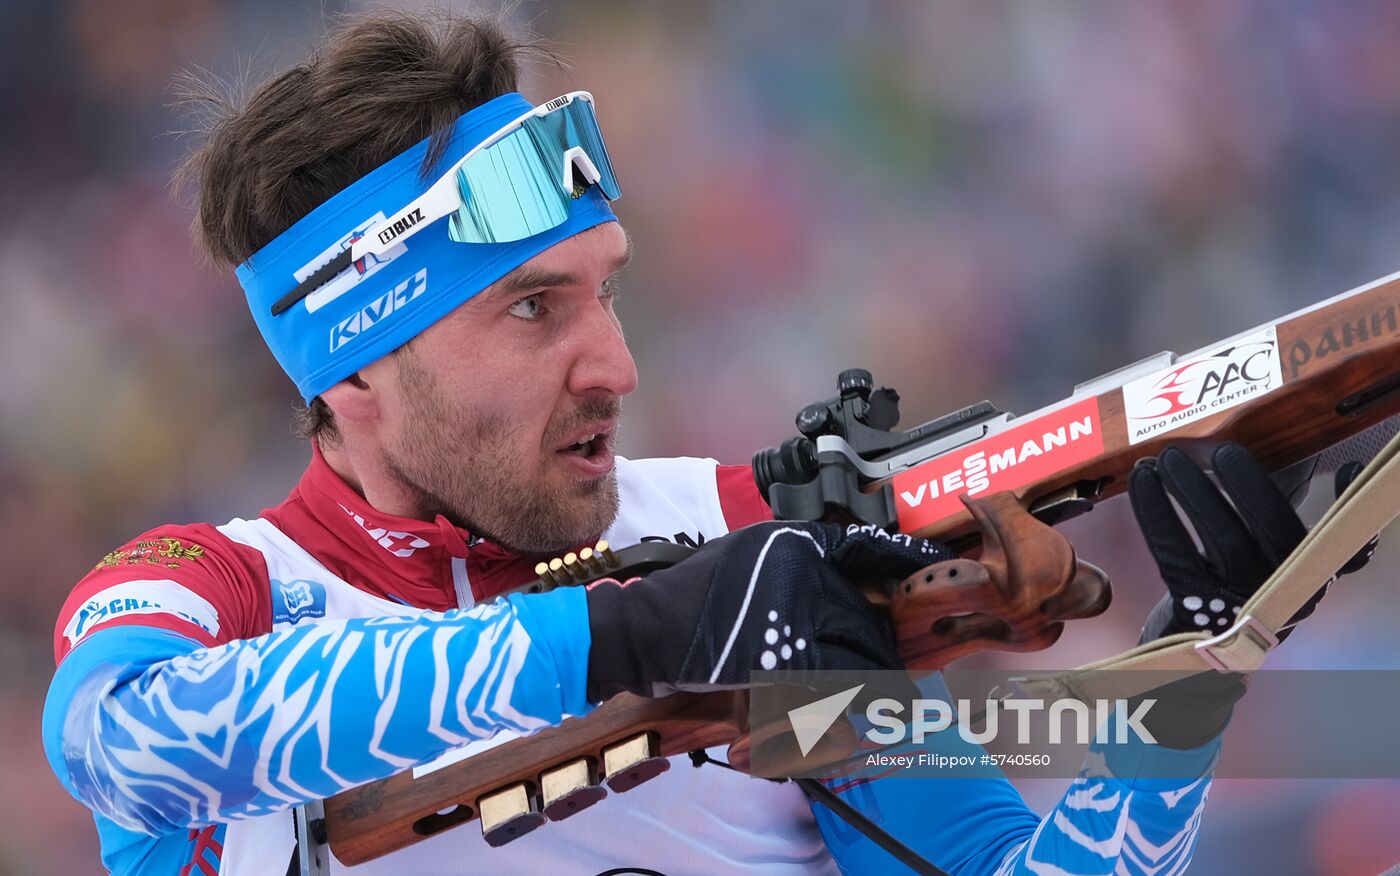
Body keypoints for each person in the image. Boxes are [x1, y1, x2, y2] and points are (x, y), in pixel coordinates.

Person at [40, 12, 1346, 876]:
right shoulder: (221, 594)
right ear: (360, 361)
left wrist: (1192, 675)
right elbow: (113, 741)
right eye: (533, 307)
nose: (617, 362)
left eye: (606, 289)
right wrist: (626, 641)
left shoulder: (754, 551)